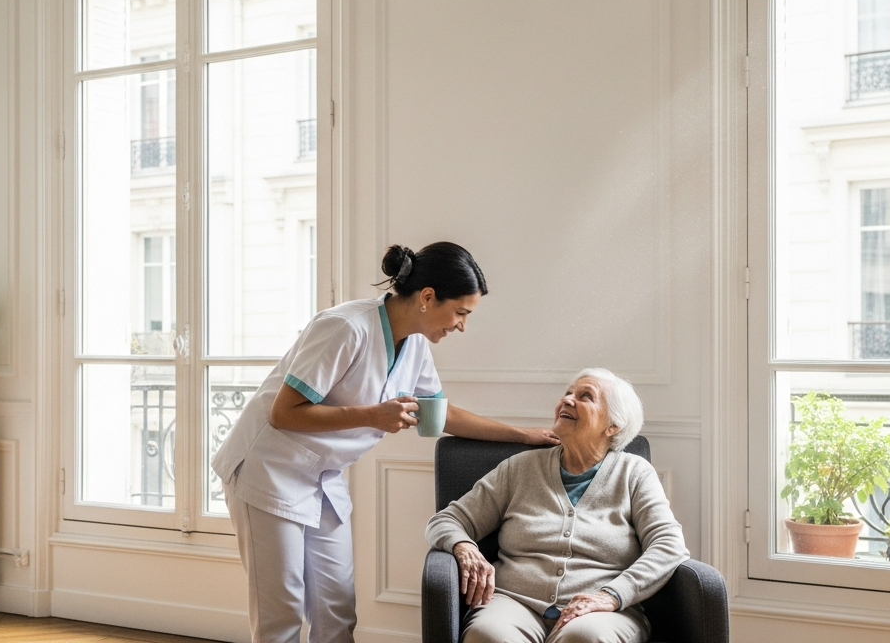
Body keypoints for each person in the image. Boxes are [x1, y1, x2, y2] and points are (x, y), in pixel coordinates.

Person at [212, 242, 559, 643]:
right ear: (427, 297)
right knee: (282, 614)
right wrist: (373, 415)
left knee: (337, 609)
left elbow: (440, 414)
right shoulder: (345, 328)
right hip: (268, 471)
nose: (462, 325)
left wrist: (524, 435)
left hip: (321, 477)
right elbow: (284, 413)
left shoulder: (415, 344)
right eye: (461, 312)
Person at [425, 368, 688, 643]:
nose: (567, 400)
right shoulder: (520, 468)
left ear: (613, 425)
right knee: (487, 635)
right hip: (513, 602)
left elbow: (669, 545)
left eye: (585, 396)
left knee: (586, 638)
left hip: (600, 610)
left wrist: (612, 595)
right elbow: (446, 520)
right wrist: (464, 547)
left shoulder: (634, 473)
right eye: (568, 393)